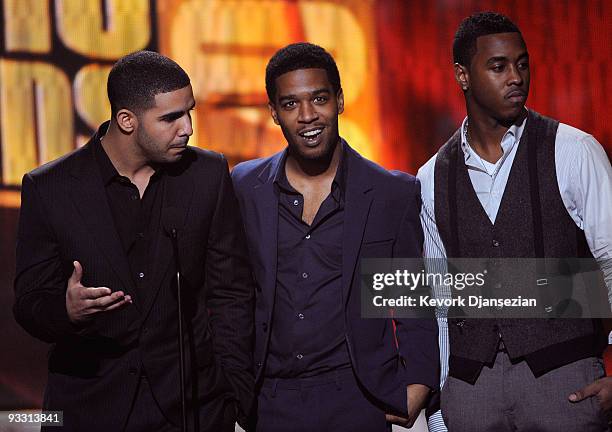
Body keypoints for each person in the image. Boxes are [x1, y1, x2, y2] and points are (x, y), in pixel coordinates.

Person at [13, 51, 255, 432]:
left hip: (192, 410)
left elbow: (232, 293)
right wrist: (66, 310)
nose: (188, 127)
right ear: (126, 120)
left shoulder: (206, 175)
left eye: (189, 111)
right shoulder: (50, 188)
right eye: (171, 117)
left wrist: (235, 395)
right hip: (90, 411)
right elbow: (29, 302)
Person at [418, 12, 612, 432]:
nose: (516, 77)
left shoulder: (573, 150)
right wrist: (439, 407)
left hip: (564, 381)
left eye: (522, 64)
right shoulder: (431, 176)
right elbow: (438, 299)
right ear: (462, 76)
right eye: (498, 66)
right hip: (471, 392)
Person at [231, 42, 439, 432]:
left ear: (340, 101)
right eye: (290, 104)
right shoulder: (244, 186)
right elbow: (229, 295)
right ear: (274, 112)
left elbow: (412, 301)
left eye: (320, 99)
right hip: (268, 400)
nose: (308, 116)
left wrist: (419, 386)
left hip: (358, 397)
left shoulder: (391, 193)